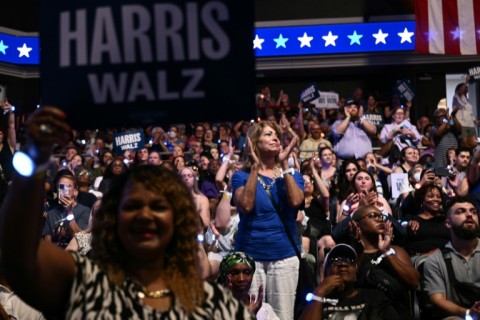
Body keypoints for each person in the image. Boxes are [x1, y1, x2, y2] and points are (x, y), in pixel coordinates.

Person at [0, 107, 254, 319]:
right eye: (132, 206)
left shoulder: (217, 306)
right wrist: (33, 158)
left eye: (158, 207)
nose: (144, 215)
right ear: (113, 218)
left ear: (179, 220)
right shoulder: (87, 284)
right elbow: (19, 255)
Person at [232, 120, 303, 320]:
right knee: (250, 315)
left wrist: (285, 164)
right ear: (255, 143)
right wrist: (255, 168)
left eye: (276, 135)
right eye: (268, 134)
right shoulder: (241, 176)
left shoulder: (292, 175)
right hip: (250, 258)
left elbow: (296, 201)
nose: (275, 138)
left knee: (282, 316)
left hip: (284, 256)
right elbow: (245, 206)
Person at [350, 205, 419, 319]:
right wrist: (360, 250)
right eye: (372, 215)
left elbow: (414, 282)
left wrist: (386, 252)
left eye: (381, 216)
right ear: (357, 224)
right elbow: (346, 284)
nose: (379, 219)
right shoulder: (351, 254)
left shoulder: (396, 250)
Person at [299, 244, 401, 320]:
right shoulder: (316, 301)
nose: (343, 264)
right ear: (326, 273)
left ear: (356, 274)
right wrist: (319, 292)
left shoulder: (375, 297)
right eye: (335, 260)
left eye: (350, 260)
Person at [423, 196, 480, 319]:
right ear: (448, 223)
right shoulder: (435, 260)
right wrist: (468, 313)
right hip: (459, 316)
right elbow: (437, 300)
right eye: (461, 211)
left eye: (473, 212)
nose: (469, 215)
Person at [219, 251, 279, 320]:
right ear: (224, 277)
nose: (241, 279)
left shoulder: (265, 310)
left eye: (247, 273)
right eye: (234, 273)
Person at [42, 173, 91, 248]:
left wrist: (69, 212)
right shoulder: (51, 213)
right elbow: (47, 243)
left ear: (75, 192)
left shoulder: (85, 210)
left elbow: (82, 241)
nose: (64, 189)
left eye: (68, 186)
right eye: (61, 186)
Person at [452, 80, 477, 148]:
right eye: (465, 87)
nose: (466, 89)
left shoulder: (467, 100)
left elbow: (470, 114)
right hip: (462, 124)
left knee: (473, 144)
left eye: (467, 88)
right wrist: (466, 81)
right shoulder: (457, 97)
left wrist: (475, 121)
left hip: (469, 124)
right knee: (465, 145)